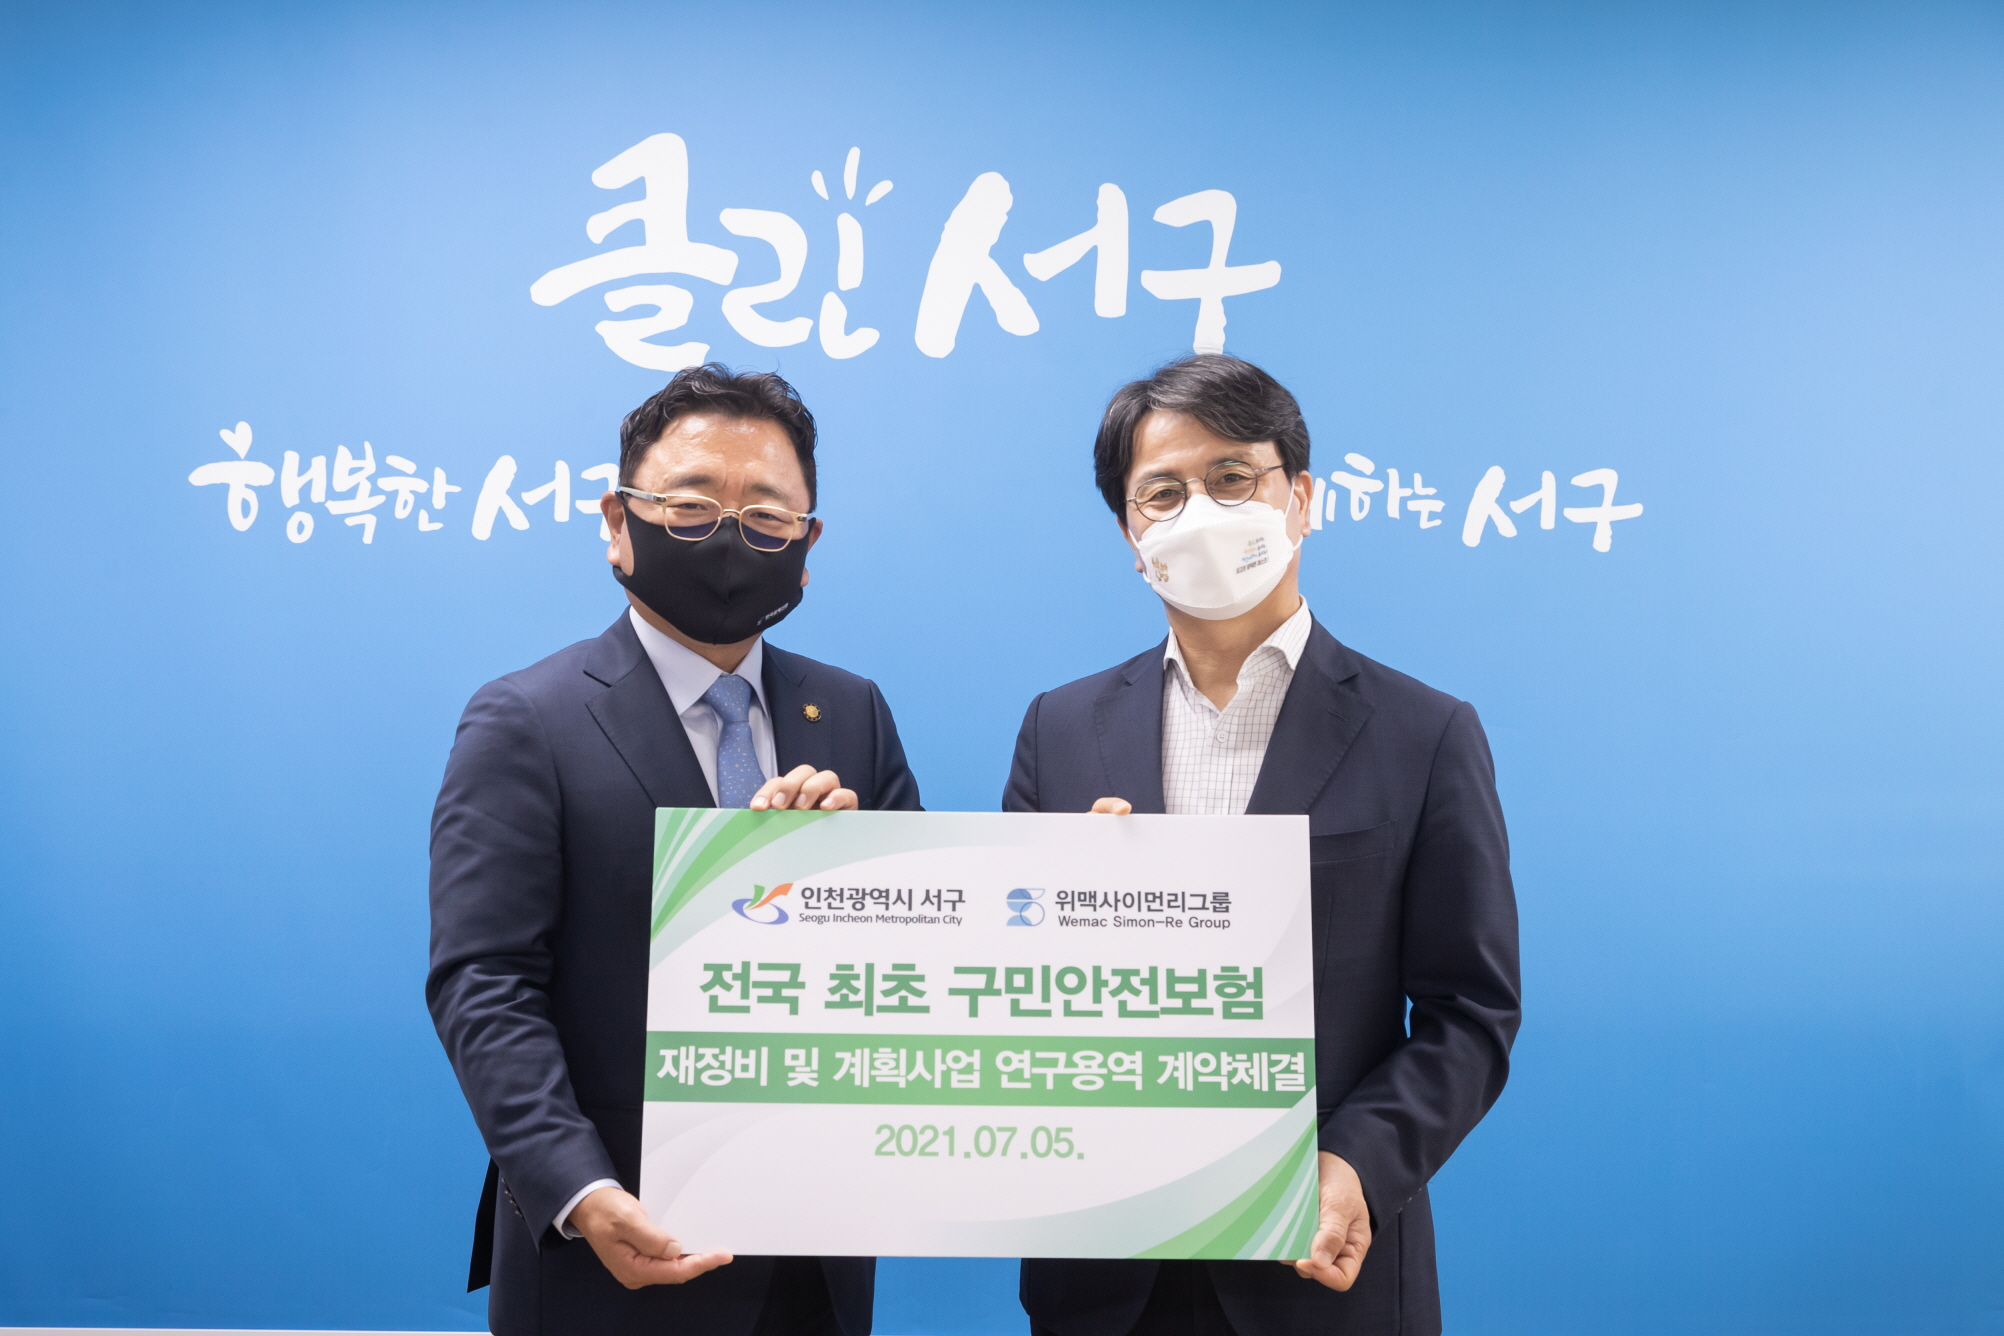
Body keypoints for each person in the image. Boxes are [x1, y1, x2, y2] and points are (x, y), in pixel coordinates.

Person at [1005, 355, 1520, 1336]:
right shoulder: (1060, 729)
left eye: (1233, 477)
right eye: (1163, 492)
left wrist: (1356, 1164)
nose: (1199, 511)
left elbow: (1471, 1011)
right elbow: (1010, 991)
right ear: (1130, 535)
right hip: (1107, 1270)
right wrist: (1065, 915)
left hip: (1317, 1265)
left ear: (1302, 498)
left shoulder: (1424, 732)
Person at [428, 364, 919, 1336]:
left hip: (813, 1260)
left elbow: (920, 958)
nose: (729, 538)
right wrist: (578, 1189)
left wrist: (842, 878)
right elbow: (485, 981)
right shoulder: (527, 719)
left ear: (807, 546)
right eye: (691, 506)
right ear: (619, 521)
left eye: (766, 515)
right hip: (611, 1254)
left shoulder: (852, 710)